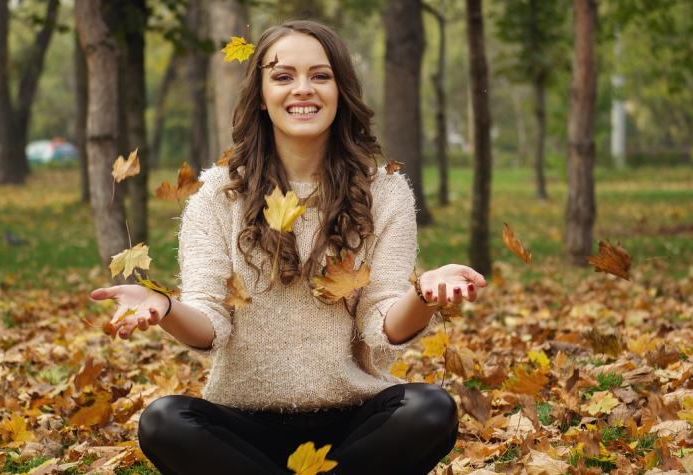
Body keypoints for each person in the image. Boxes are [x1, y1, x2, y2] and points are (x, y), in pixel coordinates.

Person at [89, 19, 487, 475]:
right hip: (243, 427)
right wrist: (163, 305)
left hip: (353, 424)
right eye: (283, 76)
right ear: (261, 95)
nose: (303, 89)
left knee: (431, 409)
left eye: (320, 75)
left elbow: (383, 325)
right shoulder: (218, 195)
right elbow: (209, 323)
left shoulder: (386, 192)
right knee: (163, 421)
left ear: (341, 90)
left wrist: (423, 294)